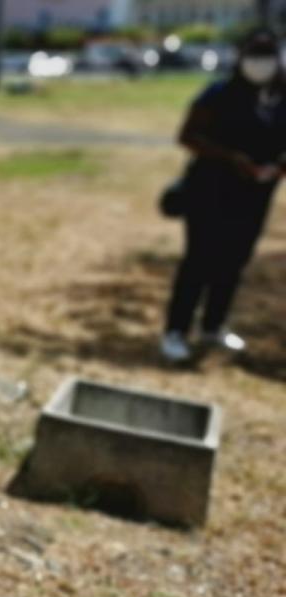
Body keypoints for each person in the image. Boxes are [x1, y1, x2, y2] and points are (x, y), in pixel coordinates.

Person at [161, 29, 286, 362]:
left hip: (256, 194)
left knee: (234, 261)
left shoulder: (280, 99)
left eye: (267, 55)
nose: (261, 64)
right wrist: (232, 159)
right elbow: (187, 135)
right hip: (211, 191)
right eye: (254, 55)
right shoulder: (219, 94)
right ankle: (176, 330)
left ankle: (213, 325)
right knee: (199, 260)